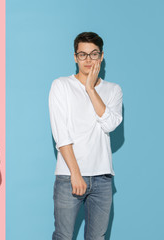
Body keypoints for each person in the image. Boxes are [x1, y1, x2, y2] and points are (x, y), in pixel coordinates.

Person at [49, 32, 123, 240]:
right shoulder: (61, 85)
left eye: (93, 54)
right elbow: (61, 134)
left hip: (103, 177)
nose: (88, 60)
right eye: (83, 55)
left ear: (101, 57)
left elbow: (109, 125)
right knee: (63, 236)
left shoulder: (113, 90)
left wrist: (90, 89)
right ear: (75, 57)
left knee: (97, 237)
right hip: (69, 176)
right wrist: (75, 174)